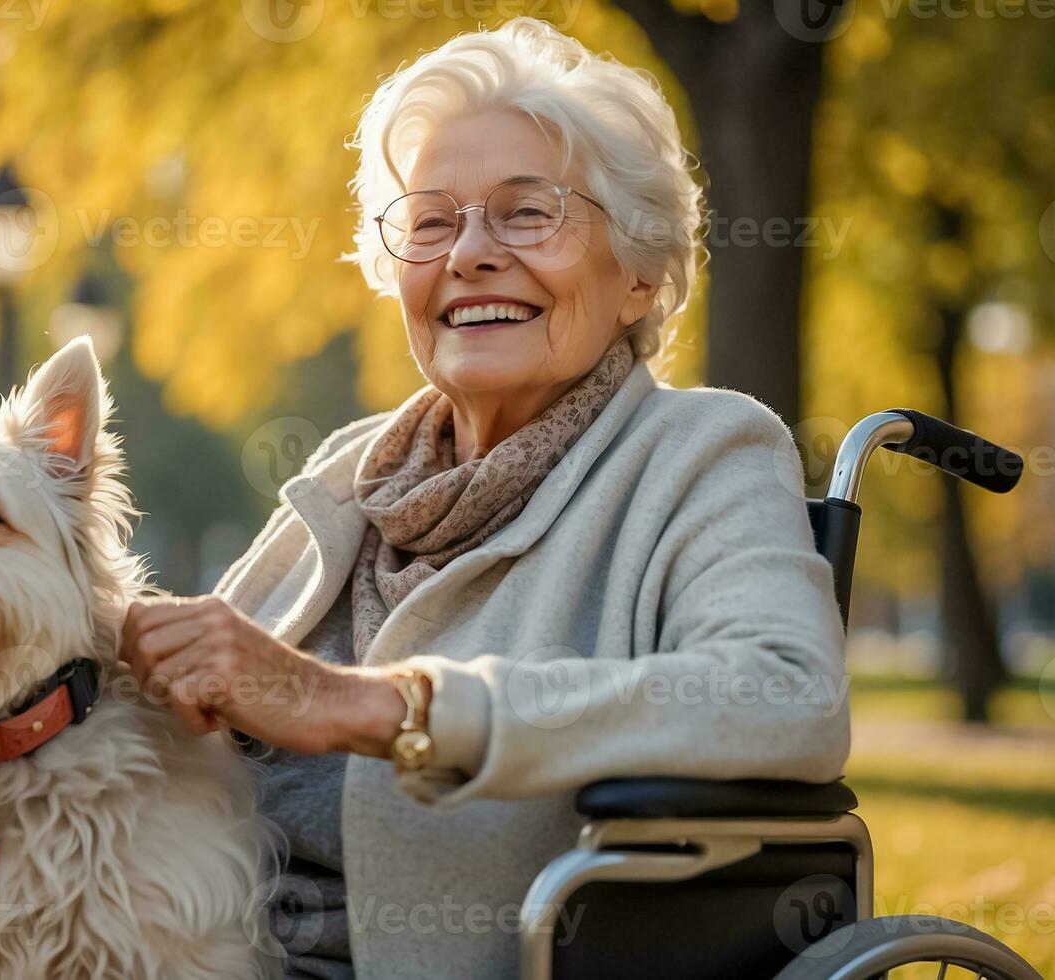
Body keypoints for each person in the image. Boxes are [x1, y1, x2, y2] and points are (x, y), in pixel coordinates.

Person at [118, 18, 850, 978]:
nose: (467, 254)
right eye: (431, 221)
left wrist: (376, 706)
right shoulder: (355, 471)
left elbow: (785, 698)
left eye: (525, 212)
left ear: (635, 274)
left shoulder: (701, 451)